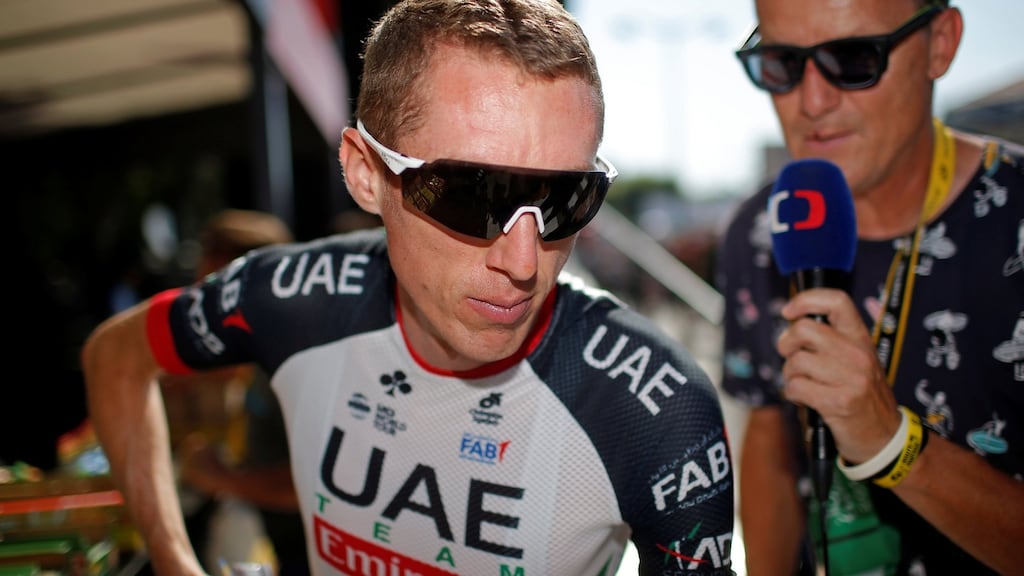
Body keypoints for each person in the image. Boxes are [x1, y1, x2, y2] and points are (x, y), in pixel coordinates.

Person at [81, 1, 736, 575]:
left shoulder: (655, 405)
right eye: (472, 197)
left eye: (568, 198)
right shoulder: (296, 295)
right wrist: (172, 558)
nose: (524, 261)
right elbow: (114, 355)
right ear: (366, 174)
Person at [716, 0, 1024, 574]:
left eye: (853, 57)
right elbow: (769, 434)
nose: (811, 101)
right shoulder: (759, 230)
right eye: (782, 62)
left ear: (940, 43)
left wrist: (893, 445)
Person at [160, 209, 308, 576]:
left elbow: (315, 484)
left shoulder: (293, 362)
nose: (201, 303)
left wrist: (222, 479)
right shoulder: (264, 350)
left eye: (215, 288)